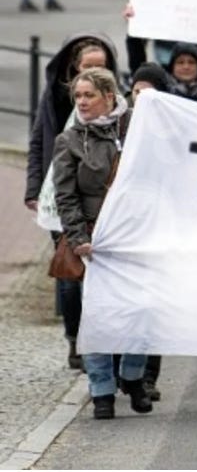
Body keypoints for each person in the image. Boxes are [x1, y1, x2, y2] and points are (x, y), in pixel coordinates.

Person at [52, 68, 151, 420]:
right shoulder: (70, 140)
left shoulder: (138, 128)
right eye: (77, 96)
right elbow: (65, 196)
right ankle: (101, 389)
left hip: (134, 237)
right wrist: (78, 238)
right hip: (93, 241)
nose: (81, 102)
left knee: (140, 310)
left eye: (88, 95)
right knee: (95, 316)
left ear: (109, 96)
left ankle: (133, 376)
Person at [25, 34, 117, 370]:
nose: (93, 71)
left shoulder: (118, 109)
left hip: (103, 205)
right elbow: (38, 143)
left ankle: (106, 343)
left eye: (101, 66)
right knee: (69, 269)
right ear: (75, 68)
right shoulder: (58, 101)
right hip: (60, 196)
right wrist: (32, 188)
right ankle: (75, 339)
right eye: (87, 66)